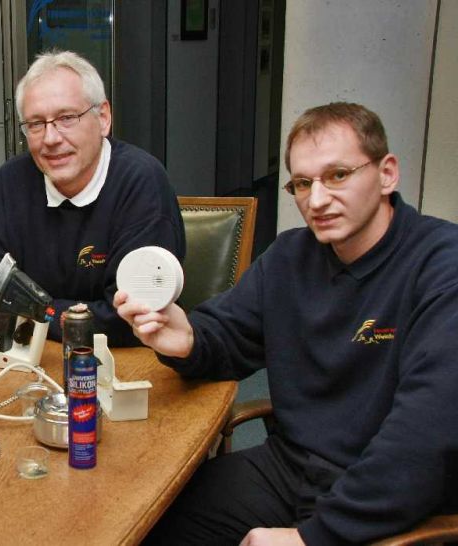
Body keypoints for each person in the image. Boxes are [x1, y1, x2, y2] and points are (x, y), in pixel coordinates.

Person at [116, 102, 458, 545]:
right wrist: (189, 339)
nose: (316, 200)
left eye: (338, 175)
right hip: (289, 467)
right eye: (302, 183)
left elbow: (423, 440)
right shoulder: (289, 257)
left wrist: (310, 538)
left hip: (385, 490)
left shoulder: (442, 267)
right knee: (146, 520)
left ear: (387, 173)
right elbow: (229, 335)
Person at [0, 50, 185, 371]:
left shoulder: (141, 182)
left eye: (67, 118)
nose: (50, 138)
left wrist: (30, 310)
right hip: (30, 368)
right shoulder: (10, 183)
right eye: (36, 124)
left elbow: (127, 320)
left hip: (126, 367)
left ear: (103, 118)